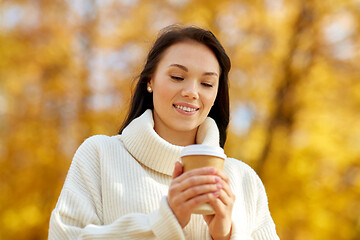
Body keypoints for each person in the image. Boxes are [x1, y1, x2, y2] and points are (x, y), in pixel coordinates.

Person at [49, 25, 279, 240]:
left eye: (207, 84)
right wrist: (163, 222)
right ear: (149, 80)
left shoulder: (244, 180)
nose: (191, 92)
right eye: (177, 77)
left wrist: (227, 235)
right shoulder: (99, 156)